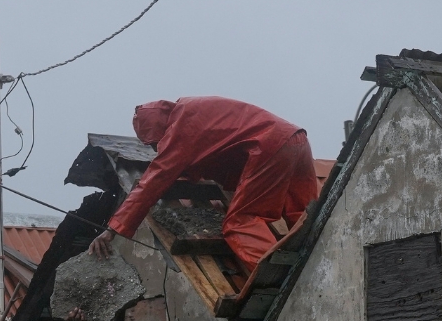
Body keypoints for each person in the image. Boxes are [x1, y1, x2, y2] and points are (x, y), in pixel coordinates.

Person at [88, 97, 320, 274]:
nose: (156, 149)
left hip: (270, 147)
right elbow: (221, 159)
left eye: (154, 143)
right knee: (307, 216)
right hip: (296, 140)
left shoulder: (180, 129)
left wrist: (112, 230)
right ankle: (320, 261)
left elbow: (153, 182)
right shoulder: (195, 112)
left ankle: (277, 275)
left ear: (160, 131)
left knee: (241, 222)